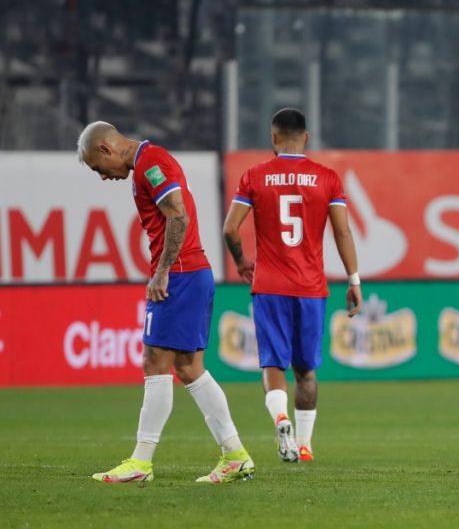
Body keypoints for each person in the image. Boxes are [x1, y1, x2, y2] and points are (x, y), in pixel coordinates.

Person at [78, 121, 255, 484]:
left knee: (154, 361)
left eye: (98, 168)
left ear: (107, 150)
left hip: (180, 273)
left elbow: (178, 214)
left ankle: (141, 462)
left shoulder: (151, 163)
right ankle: (235, 454)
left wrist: (162, 272)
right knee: (189, 368)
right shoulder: (147, 164)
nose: (102, 176)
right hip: (193, 271)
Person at [223, 108, 363, 463]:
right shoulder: (327, 178)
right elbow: (342, 231)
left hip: (269, 285)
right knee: (306, 371)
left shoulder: (254, 177)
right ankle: (304, 445)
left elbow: (229, 228)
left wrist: (241, 261)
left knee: (273, 365)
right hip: (311, 288)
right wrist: (353, 279)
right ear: (307, 138)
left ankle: (280, 417)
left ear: (273, 137)